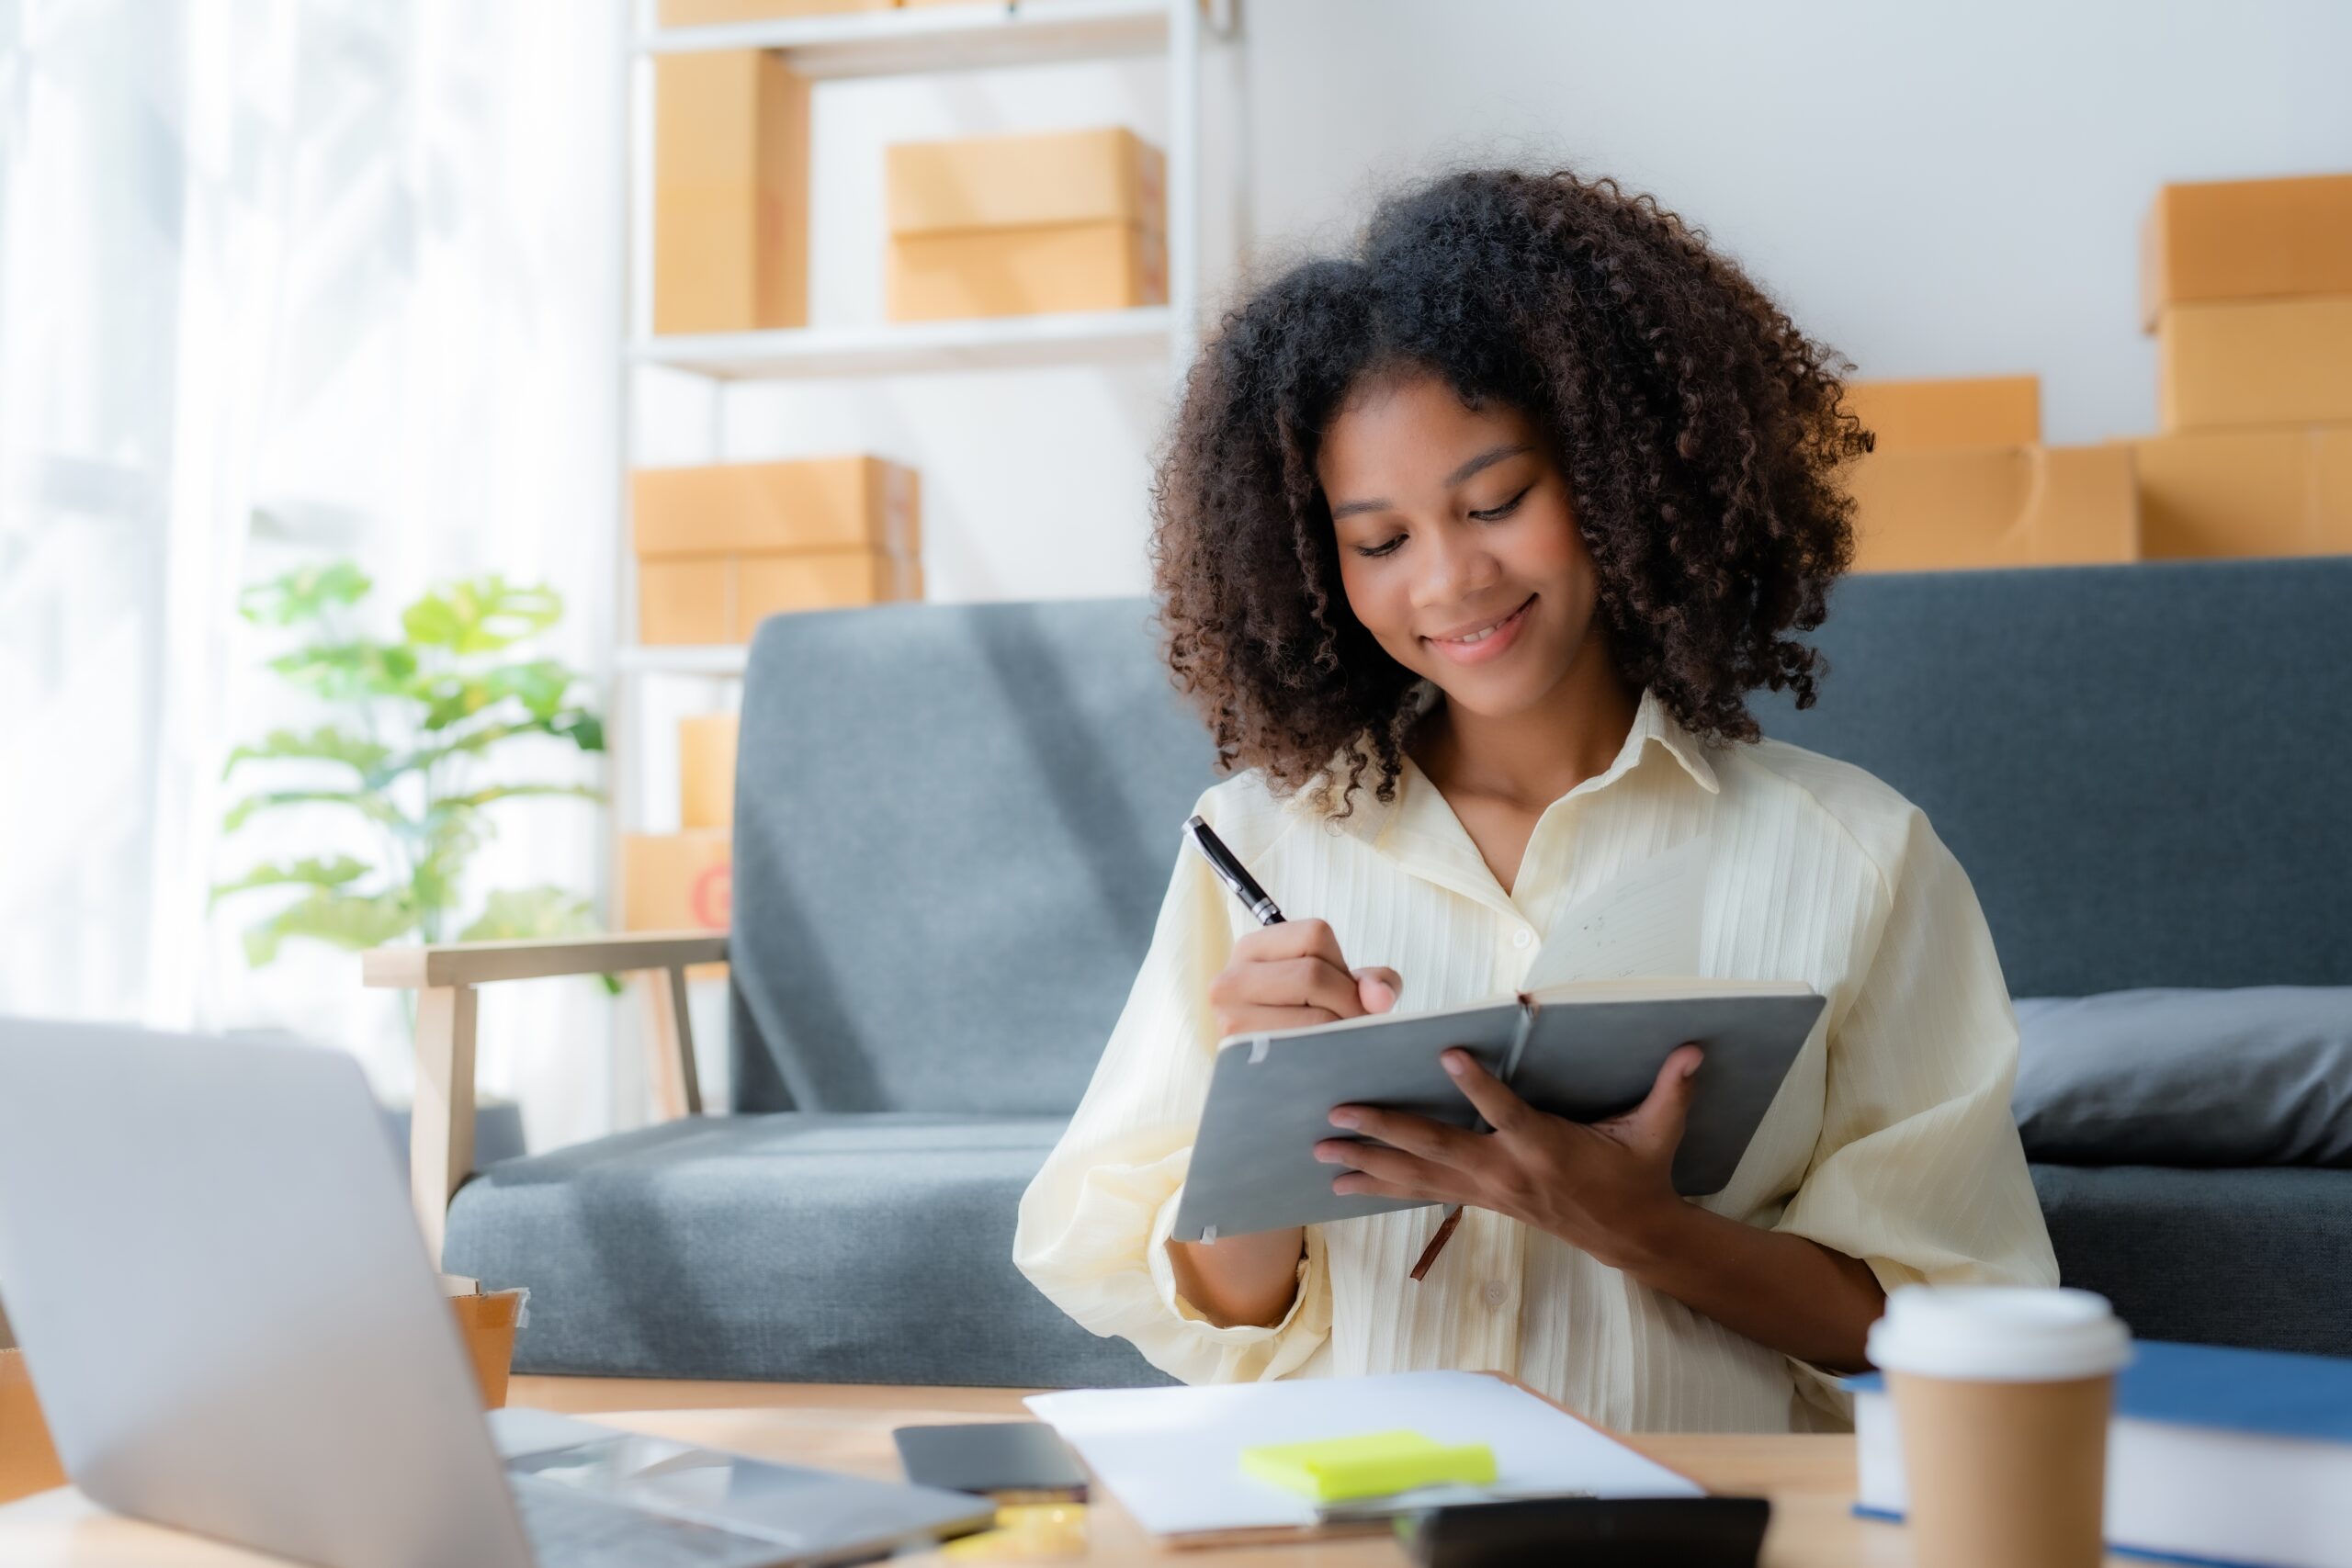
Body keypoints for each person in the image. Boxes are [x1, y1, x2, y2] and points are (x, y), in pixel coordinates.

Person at [1012, 166, 2058, 1433]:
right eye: (1381, 541)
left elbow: (1942, 1321)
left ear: (1618, 474)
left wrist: (1642, 1230)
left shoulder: (1858, 855)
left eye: (1496, 502)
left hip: (1702, 1526)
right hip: (1366, 1519)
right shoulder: (1260, 848)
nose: (1450, 581)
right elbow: (1219, 1316)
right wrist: (1264, 1138)